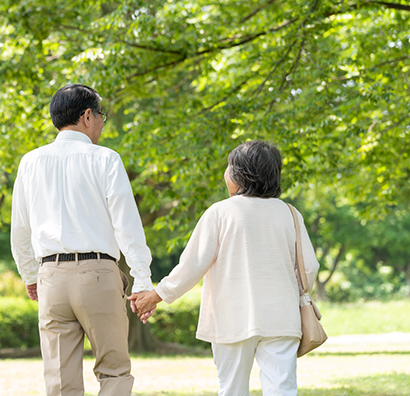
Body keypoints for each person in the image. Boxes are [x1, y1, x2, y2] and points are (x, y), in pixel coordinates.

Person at [129, 140, 319, 396]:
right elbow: (309, 268)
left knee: (231, 389)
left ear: (240, 174)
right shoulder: (290, 213)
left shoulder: (220, 213)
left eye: (229, 167)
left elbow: (191, 266)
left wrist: (155, 295)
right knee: (282, 389)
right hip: (281, 318)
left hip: (232, 317)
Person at [11, 84, 154, 396]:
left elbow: (20, 230)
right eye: (101, 115)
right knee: (114, 372)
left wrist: (30, 275)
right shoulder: (105, 159)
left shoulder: (31, 162)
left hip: (50, 277)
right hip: (98, 274)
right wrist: (142, 278)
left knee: (61, 382)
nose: (102, 123)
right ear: (87, 116)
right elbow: (126, 225)